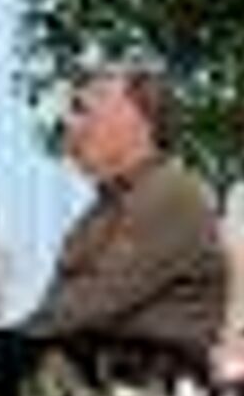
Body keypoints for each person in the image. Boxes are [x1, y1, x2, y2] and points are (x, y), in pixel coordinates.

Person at [21, 68, 226, 371]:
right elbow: (60, 308)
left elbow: (88, 305)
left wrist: (6, 345)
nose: (69, 125)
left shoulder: (170, 196)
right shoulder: (104, 207)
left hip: (149, 382)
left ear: (135, 122)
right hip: (98, 370)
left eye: (83, 110)